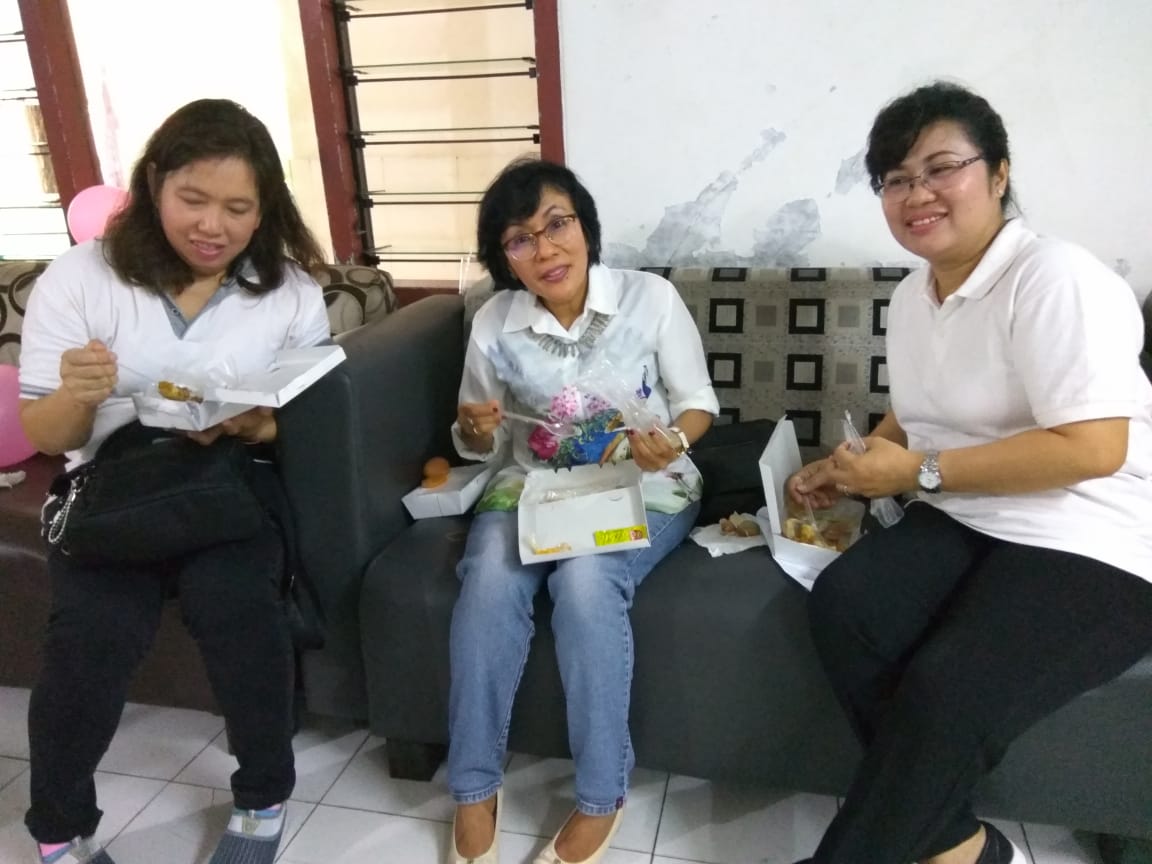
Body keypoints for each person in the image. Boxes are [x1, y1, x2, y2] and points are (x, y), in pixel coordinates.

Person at [786, 81, 1152, 864]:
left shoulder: (1056, 278)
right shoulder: (913, 297)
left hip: (1094, 530)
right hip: (970, 511)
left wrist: (915, 472)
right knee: (846, 605)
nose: (917, 193)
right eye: (895, 179)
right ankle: (957, 844)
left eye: (941, 168)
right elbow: (920, 405)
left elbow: (1094, 449)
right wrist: (854, 460)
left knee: (945, 687)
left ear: (999, 172)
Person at [17, 99, 331, 864]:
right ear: (154, 182)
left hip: (228, 480)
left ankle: (262, 799)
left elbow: (304, 422)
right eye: (193, 199)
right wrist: (77, 394)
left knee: (243, 614)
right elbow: (48, 435)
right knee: (88, 641)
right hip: (112, 488)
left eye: (237, 208)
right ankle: (59, 828)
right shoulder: (82, 277)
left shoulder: (289, 291)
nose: (212, 226)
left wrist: (250, 425)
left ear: (265, 210)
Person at [448, 158, 718, 864]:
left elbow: (699, 403)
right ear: (504, 257)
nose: (545, 249)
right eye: (520, 239)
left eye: (557, 224)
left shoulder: (649, 298)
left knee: (587, 578)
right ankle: (473, 785)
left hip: (644, 480)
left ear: (586, 228)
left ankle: (602, 795)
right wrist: (472, 429)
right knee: (488, 580)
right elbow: (477, 435)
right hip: (533, 484)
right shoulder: (494, 323)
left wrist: (672, 440)